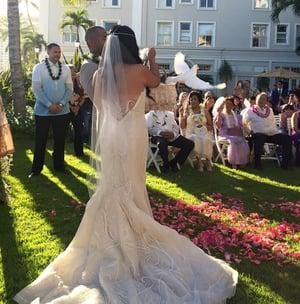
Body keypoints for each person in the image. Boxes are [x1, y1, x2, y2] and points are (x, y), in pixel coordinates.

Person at [15, 26, 237, 303]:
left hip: (111, 137)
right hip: (132, 137)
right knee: (132, 184)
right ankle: (133, 230)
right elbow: (156, 81)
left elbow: (97, 104)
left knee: (111, 183)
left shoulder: (99, 74)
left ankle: (112, 236)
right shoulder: (140, 71)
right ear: (131, 45)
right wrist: (152, 57)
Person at [28, 43, 73, 178]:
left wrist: (61, 103)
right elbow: (36, 89)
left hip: (62, 111)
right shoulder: (39, 68)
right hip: (42, 112)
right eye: (55, 52)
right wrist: (49, 105)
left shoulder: (65, 69)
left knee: (60, 141)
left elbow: (69, 89)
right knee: (40, 141)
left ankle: (59, 166)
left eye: (59, 52)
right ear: (48, 53)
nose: (58, 54)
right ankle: (36, 170)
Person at [242, 92, 292, 170]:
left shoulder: (270, 110)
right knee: (259, 137)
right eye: (260, 99)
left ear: (266, 101)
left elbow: (273, 123)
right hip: (258, 134)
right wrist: (250, 132)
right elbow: (243, 123)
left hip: (272, 134)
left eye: (264, 99)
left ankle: (285, 164)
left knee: (287, 138)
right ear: (256, 100)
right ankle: (257, 164)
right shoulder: (250, 111)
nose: (261, 100)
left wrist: (276, 130)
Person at [146, 109, 194, 173]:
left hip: (171, 136)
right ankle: (166, 165)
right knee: (162, 143)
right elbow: (149, 129)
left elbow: (175, 127)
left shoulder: (170, 114)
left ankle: (174, 162)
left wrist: (173, 134)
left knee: (189, 144)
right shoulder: (150, 114)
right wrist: (160, 133)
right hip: (157, 136)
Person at [180, 91, 214, 172]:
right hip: (190, 134)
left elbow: (211, 125)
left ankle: (208, 161)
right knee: (196, 139)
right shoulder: (186, 111)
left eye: (195, 99)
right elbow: (182, 126)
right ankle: (199, 162)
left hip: (204, 133)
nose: (192, 101)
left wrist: (204, 127)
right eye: (191, 100)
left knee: (206, 139)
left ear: (199, 101)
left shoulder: (204, 111)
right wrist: (182, 116)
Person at [214, 97, 249, 169]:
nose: (228, 106)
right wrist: (219, 113)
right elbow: (218, 125)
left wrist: (238, 129)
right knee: (233, 140)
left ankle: (241, 161)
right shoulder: (221, 115)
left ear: (233, 106)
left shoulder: (237, 116)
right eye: (226, 104)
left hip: (235, 134)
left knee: (242, 140)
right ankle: (234, 162)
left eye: (230, 104)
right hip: (224, 134)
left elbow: (241, 127)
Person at [69, 66, 85, 157]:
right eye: (70, 74)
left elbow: (83, 97)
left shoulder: (79, 84)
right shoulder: (64, 84)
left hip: (78, 110)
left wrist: (78, 107)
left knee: (79, 131)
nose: (72, 76)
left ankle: (79, 152)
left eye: (73, 74)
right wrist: (71, 107)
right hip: (67, 110)